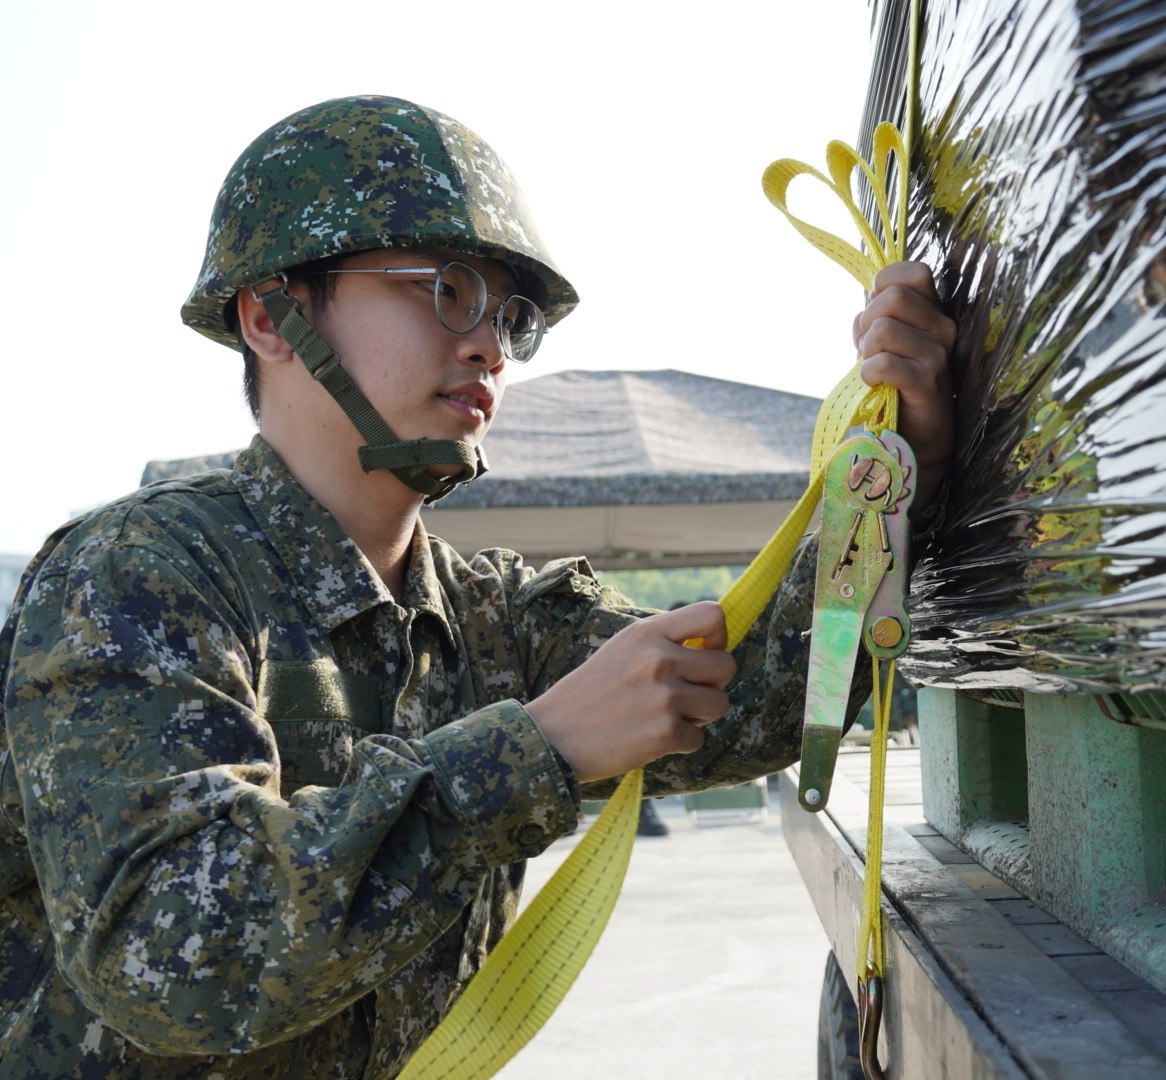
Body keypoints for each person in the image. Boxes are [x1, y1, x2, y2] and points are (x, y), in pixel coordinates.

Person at [0, 95, 956, 1078]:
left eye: (514, 315)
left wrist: (891, 471)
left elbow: (766, 696)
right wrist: (530, 751)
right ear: (272, 315)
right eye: (447, 291)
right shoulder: (143, 573)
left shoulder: (488, 617)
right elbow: (168, 958)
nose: (490, 344)